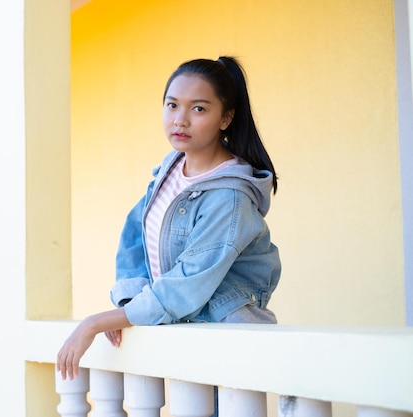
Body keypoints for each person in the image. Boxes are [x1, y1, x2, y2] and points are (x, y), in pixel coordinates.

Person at [57, 56, 281, 383]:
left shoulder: (230, 198)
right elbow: (135, 235)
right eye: (172, 105)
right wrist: (130, 302)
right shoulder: (172, 169)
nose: (181, 120)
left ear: (226, 117)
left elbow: (186, 285)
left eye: (199, 109)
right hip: (181, 335)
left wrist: (97, 322)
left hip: (222, 342)